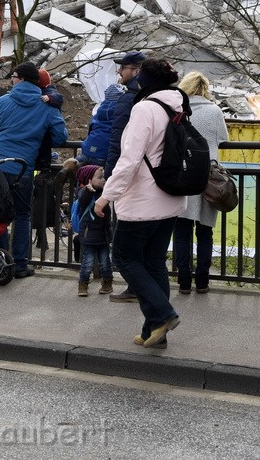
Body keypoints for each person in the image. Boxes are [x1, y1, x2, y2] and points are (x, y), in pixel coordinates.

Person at [94, 59, 186, 348]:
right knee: (154, 261)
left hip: (143, 200)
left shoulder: (145, 108)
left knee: (124, 257)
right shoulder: (178, 105)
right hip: (170, 197)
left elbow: (129, 159)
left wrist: (107, 195)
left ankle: (163, 314)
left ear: (145, 81)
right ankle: (153, 333)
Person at [0, 61, 68, 278]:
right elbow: (61, 138)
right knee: (22, 215)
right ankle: (20, 265)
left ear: (20, 79)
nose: (11, 79)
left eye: (13, 76)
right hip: (22, 168)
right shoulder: (48, 107)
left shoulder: (2, 101)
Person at [173, 71, 230, 295]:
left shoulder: (179, 112)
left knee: (182, 230)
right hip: (209, 178)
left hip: (184, 176)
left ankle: (184, 280)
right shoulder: (215, 111)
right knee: (205, 231)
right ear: (206, 89)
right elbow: (223, 138)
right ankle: (203, 280)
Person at [104, 50, 147, 302]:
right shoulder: (153, 98)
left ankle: (135, 288)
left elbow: (117, 142)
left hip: (129, 176)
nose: (119, 72)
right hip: (150, 178)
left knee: (124, 238)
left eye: (123, 68)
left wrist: (111, 175)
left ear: (136, 71)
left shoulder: (129, 100)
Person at [75, 165, 113, 297]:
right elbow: (82, 198)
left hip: (103, 235)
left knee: (105, 262)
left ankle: (107, 283)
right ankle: (83, 285)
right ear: (89, 180)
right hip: (88, 235)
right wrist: (88, 190)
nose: (104, 179)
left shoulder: (104, 193)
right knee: (87, 262)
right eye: (100, 177)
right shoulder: (83, 191)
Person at [79, 84, 124, 167]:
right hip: (103, 153)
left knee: (85, 174)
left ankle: (71, 168)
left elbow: (90, 128)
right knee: (100, 177)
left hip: (87, 148)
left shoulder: (99, 111)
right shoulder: (120, 112)